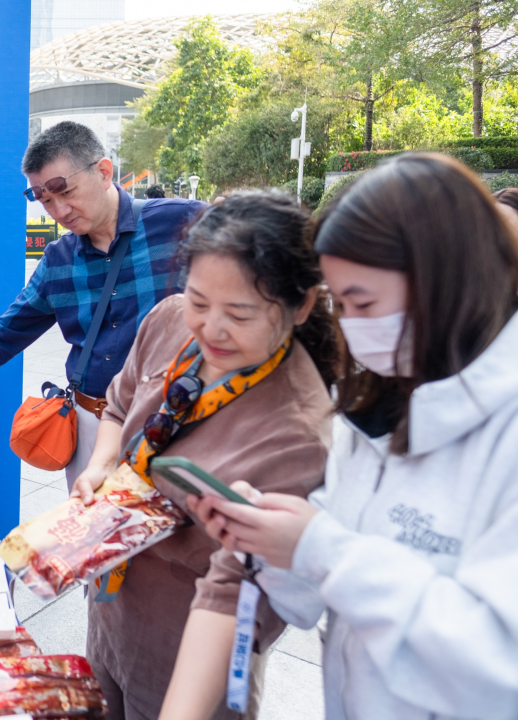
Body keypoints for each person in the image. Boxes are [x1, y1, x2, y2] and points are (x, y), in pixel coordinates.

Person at [172, 154, 518, 720]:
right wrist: (267, 539)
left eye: (365, 303)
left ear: (445, 284)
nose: (351, 326)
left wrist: (321, 548)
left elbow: (498, 666)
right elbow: (316, 589)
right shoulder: (375, 407)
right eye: (342, 304)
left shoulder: (505, 431)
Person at [69, 191, 335, 720]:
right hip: (112, 606)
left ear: (302, 305)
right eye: (199, 301)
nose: (210, 329)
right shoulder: (169, 319)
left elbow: (244, 594)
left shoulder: (298, 435)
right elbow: (120, 402)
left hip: (186, 646)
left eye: (239, 314)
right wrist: (101, 465)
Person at [0, 121, 206, 488]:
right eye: (45, 200)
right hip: (91, 423)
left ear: (103, 172)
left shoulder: (182, 223)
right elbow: (6, 332)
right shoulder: (58, 260)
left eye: (65, 191)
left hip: (176, 422)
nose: (59, 210)